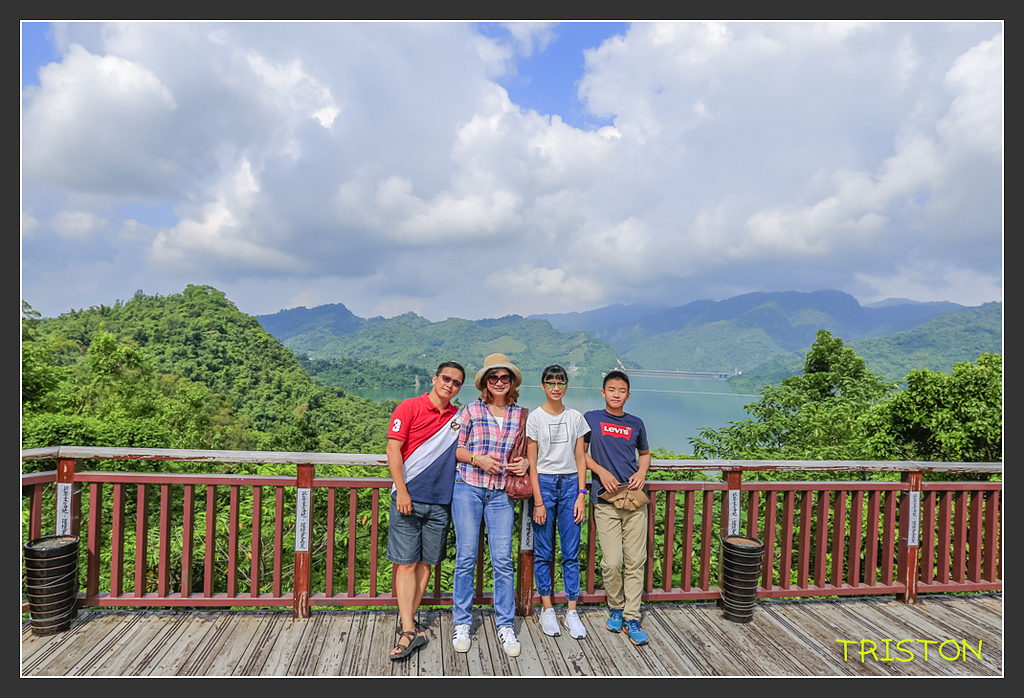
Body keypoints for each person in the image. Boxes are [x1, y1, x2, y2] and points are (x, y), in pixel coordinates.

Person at [385, 361, 466, 660]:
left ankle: (408, 622)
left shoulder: (458, 418)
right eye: (446, 379)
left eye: (456, 382)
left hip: (440, 501)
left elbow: (458, 449)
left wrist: (480, 459)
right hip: (408, 498)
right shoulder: (409, 407)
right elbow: (393, 449)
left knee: (426, 564)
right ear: (435, 379)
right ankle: (409, 629)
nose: (450, 385)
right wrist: (402, 490)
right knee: (406, 563)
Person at [451, 353, 526, 658]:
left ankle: (505, 624)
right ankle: (462, 622)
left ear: (511, 383)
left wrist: (524, 464)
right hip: (467, 488)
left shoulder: (521, 415)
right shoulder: (470, 411)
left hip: (500, 495)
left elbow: (529, 452)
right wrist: (476, 458)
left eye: (504, 378)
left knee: (503, 561)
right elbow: (454, 448)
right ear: (485, 383)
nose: (498, 382)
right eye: (493, 378)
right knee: (466, 557)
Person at [584, 370, 652, 646]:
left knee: (636, 561)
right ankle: (615, 606)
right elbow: (581, 454)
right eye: (611, 389)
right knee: (612, 561)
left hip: (634, 498)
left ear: (628, 395)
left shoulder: (636, 423)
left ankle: (632, 616)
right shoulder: (591, 418)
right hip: (605, 499)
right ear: (603, 393)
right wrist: (602, 471)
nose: (616, 394)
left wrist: (642, 473)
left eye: (621, 390)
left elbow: (645, 454)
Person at [526, 364, 590, 639]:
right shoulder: (535, 418)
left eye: (560, 382)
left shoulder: (576, 417)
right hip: (545, 485)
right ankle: (548, 608)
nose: (556, 387)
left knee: (571, 551)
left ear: (566, 386)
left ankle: (572, 611)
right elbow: (532, 460)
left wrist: (581, 494)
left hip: (570, 486)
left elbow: (580, 458)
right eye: (550, 382)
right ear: (543, 386)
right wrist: (538, 501)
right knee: (543, 551)